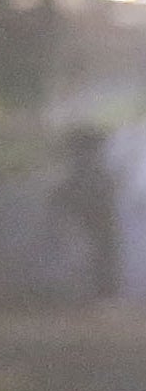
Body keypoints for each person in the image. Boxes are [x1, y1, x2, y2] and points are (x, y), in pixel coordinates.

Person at [48, 122, 123, 303]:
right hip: (91, 211)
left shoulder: (90, 169)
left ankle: (99, 291)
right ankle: (99, 291)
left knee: (98, 250)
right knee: (94, 250)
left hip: (93, 211)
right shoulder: (93, 169)